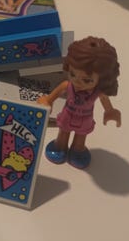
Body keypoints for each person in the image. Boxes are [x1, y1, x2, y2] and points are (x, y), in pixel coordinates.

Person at [38, 36, 121, 169]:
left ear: (102, 79)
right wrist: (47, 101)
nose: (77, 82)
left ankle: (78, 151)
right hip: (68, 114)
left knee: (81, 137)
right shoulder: (67, 85)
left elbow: (105, 101)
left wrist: (110, 111)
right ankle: (60, 146)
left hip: (85, 118)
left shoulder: (98, 92)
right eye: (73, 74)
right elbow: (52, 96)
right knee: (63, 133)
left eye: (87, 80)